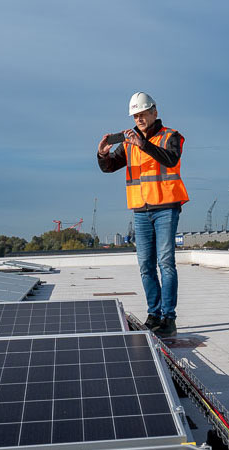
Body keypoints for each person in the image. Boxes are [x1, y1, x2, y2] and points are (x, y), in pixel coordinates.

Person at [96, 92, 189, 337]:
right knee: (146, 266)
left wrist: (144, 145)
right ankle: (154, 314)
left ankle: (168, 318)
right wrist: (103, 154)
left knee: (166, 263)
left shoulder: (171, 136)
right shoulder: (128, 141)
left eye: (142, 114)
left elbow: (171, 160)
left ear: (154, 112)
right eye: (135, 115)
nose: (139, 119)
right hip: (140, 209)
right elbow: (109, 167)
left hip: (166, 207)